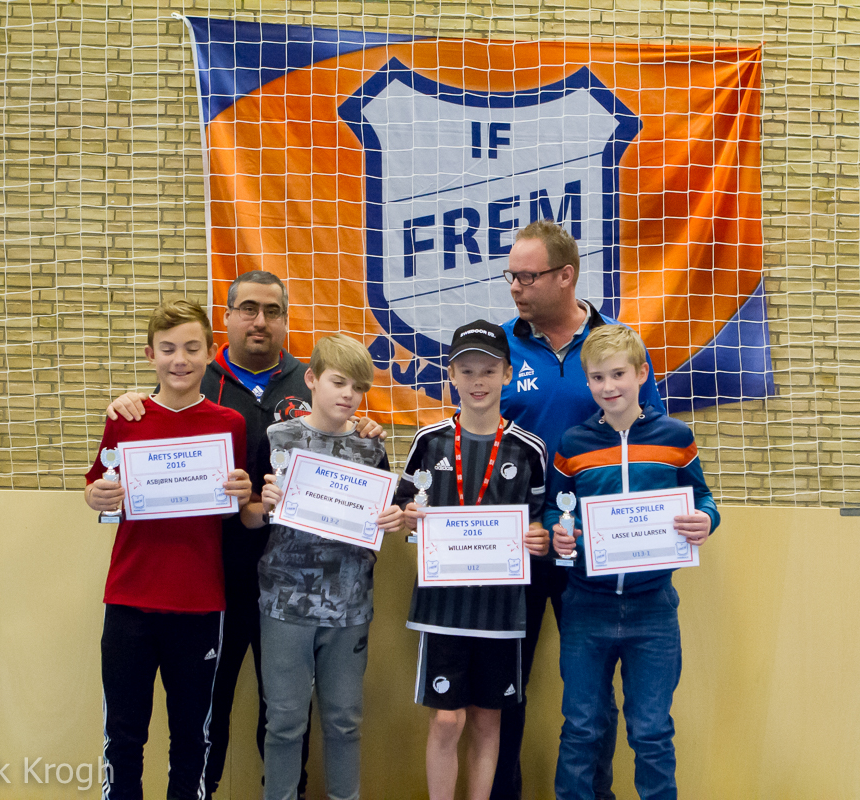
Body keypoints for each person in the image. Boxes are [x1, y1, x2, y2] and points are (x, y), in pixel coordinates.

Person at [104, 271, 383, 799]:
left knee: (285, 712)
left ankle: (288, 791)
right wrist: (126, 403)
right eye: (248, 309)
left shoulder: (308, 379)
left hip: (294, 583)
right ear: (227, 318)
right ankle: (204, 790)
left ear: (285, 320)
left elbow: (343, 429)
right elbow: (154, 419)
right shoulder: (200, 377)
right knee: (210, 706)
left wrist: (364, 428)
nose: (260, 320)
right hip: (217, 574)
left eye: (272, 311)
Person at [493, 219, 665, 800]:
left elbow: (649, 440)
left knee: (592, 700)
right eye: (511, 275)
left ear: (566, 276)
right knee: (505, 687)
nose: (515, 287)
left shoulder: (614, 348)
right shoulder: (498, 347)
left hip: (592, 549)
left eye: (527, 276)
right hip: (516, 542)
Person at [83, 299, 252, 800]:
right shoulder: (126, 417)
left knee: (192, 739)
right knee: (124, 736)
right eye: (168, 348)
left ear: (210, 354)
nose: (180, 359)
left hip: (199, 603)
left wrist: (242, 492)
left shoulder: (230, 423)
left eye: (192, 348)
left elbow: (235, 504)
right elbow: (96, 485)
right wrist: (96, 495)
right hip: (130, 599)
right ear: (150, 354)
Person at [548, 324, 719, 800]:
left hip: (653, 609)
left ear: (642, 374)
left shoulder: (676, 437)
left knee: (651, 733)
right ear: (587, 381)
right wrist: (559, 532)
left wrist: (706, 520)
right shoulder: (573, 443)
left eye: (618, 374)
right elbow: (556, 509)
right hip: (586, 607)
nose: (609, 387)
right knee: (581, 728)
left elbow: (703, 499)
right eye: (598, 377)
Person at [240, 333, 405, 800]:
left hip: (349, 606)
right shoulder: (278, 439)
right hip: (284, 603)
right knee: (284, 722)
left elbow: (386, 516)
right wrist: (265, 506)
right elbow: (247, 517)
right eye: (338, 382)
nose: (348, 395)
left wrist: (393, 519)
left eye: (358, 387)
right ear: (311, 379)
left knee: (344, 721)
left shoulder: (371, 447)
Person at [395, 321, 551, 800]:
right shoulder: (429, 441)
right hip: (443, 606)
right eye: (467, 370)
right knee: (446, 720)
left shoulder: (530, 449)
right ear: (451, 375)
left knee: (488, 721)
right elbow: (403, 505)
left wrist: (539, 537)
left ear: (508, 374)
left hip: (501, 610)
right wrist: (408, 515)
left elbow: (541, 519)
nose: (477, 380)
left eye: (488, 370)